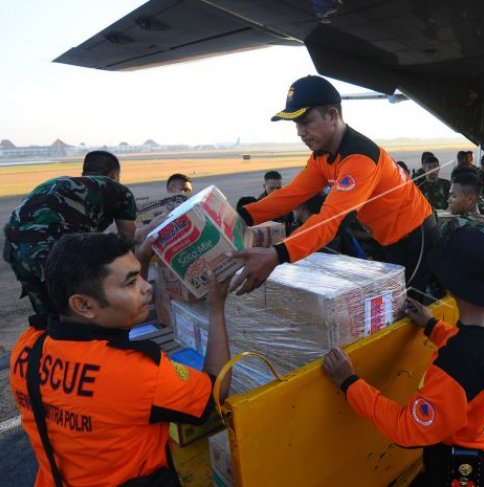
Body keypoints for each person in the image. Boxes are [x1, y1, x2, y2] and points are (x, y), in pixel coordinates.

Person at [9, 233, 233, 486]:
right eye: (130, 283)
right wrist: (216, 308)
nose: (147, 286)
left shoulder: (28, 346)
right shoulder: (135, 373)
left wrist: (139, 263)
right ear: (83, 305)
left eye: (139, 275)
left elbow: (109, 330)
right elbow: (215, 391)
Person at [322, 225, 484, 486]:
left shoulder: (456, 366)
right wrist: (433, 326)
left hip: (462, 469)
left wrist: (349, 382)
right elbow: (482, 353)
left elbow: (408, 429)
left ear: (454, 282)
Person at [233, 75, 436, 300]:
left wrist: (276, 254)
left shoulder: (359, 159)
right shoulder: (323, 155)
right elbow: (290, 195)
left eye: (305, 121)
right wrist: (240, 217)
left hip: (415, 237)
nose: (300, 132)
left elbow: (332, 219)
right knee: (390, 304)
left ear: (332, 115)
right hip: (386, 237)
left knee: (405, 306)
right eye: (296, 124)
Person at [3, 151, 137, 315]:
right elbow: (128, 240)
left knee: (46, 315)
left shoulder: (55, 183)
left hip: (13, 248)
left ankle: (45, 339)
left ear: (84, 172)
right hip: (51, 248)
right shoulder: (117, 189)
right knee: (76, 312)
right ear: (114, 174)